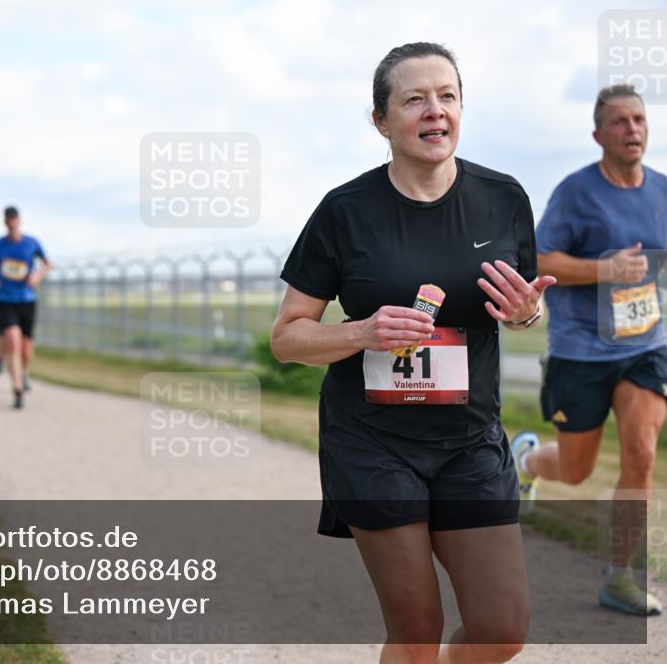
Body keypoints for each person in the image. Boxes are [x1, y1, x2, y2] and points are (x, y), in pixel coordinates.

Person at [271, 42, 555, 663]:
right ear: (381, 120)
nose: (435, 110)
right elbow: (287, 335)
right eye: (415, 98)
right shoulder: (345, 212)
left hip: (469, 440)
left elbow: (530, 309)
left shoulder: (503, 198)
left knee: (501, 630)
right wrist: (361, 332)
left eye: (447, 95)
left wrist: (527, 313)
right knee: (416, 628)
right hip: (372, 442)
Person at [512, 85, 666, 617]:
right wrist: (606, 270)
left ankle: (619, 576)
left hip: (647, 346)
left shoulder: (663, 190)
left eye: (639, 119)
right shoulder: (577, 193)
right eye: (620, 122)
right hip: (581, 350)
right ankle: (526, 461)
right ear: (599, 135)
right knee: (576, 469)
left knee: (641, 454)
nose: (633, 129)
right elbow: (539, 259)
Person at [0, 206, 50, 409]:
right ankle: (17, 389)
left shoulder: (31, 243)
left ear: (19, 220)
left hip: (27, 299)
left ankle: (24, 372)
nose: (12, 223)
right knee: (12, 338)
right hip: (5, 299)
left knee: (26, 348)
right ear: (4, 222)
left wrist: (37, 276)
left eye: (14, 219)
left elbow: (47, 264)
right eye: (8, 220)